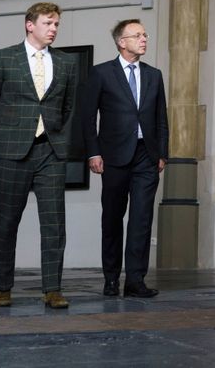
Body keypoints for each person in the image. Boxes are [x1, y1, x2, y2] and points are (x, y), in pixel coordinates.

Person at [0, 2, 78, 309]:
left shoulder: (66, 63)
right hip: (11, 153)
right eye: (49, 23)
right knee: (7, 221)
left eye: (57, 24)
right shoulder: (3, 58)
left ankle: (53, 289)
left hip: (50, 151)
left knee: (54, 224)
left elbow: (68, 107)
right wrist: (4, 138)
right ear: (29, 25)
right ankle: (3, 287)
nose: (54, 29)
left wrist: (59, 139)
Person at [82, 19, 168, 299]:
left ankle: (135, 281)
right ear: (122, 42)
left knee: (142, 219)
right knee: (112, 218)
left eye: (145, 34)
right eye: (137, 35)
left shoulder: (154, 75)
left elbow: (161, 118)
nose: (144, 39)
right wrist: (93, 152)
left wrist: (162, 153)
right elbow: (87, 117)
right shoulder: (101, 73)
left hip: (146, 156)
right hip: (114, 156)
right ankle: (110, 279)